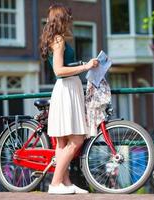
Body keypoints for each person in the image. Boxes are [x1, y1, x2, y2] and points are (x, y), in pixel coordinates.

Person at [40, 3, 99, 194]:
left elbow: (64, 65)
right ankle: (56, 183)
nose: (71, 21)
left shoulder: (57, 39)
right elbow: (59, 70)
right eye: (68, 18)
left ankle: (66, 184)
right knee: (77, 139)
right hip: (66, 90)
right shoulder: (58, 40)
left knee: (63, 142)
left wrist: (84, 64)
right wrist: (86, 67)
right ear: (61, 19)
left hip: (68, 89)